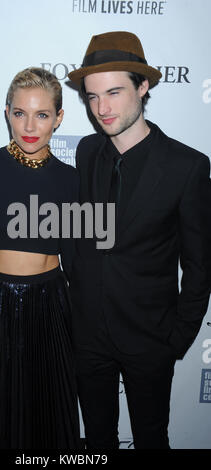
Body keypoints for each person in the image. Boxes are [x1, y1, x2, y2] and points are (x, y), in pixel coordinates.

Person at [67, 31, 211, 449]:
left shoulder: (187, 167)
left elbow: (200, 265)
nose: (102, 109)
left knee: (151, 438)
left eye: (113, 92)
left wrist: (176, 339)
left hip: (150, 338)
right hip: (87, 334)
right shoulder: (87, 152)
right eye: (92, 97)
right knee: (96, 439)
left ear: (143, 86)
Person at [0, 67, 81, 449]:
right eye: (20, 113)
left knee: (47, 420)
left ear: (59, 117)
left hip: (51, 307)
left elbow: (75, 262)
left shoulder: (72, 181)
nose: (29, 125)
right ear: (7, 112)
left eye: (41, 114)